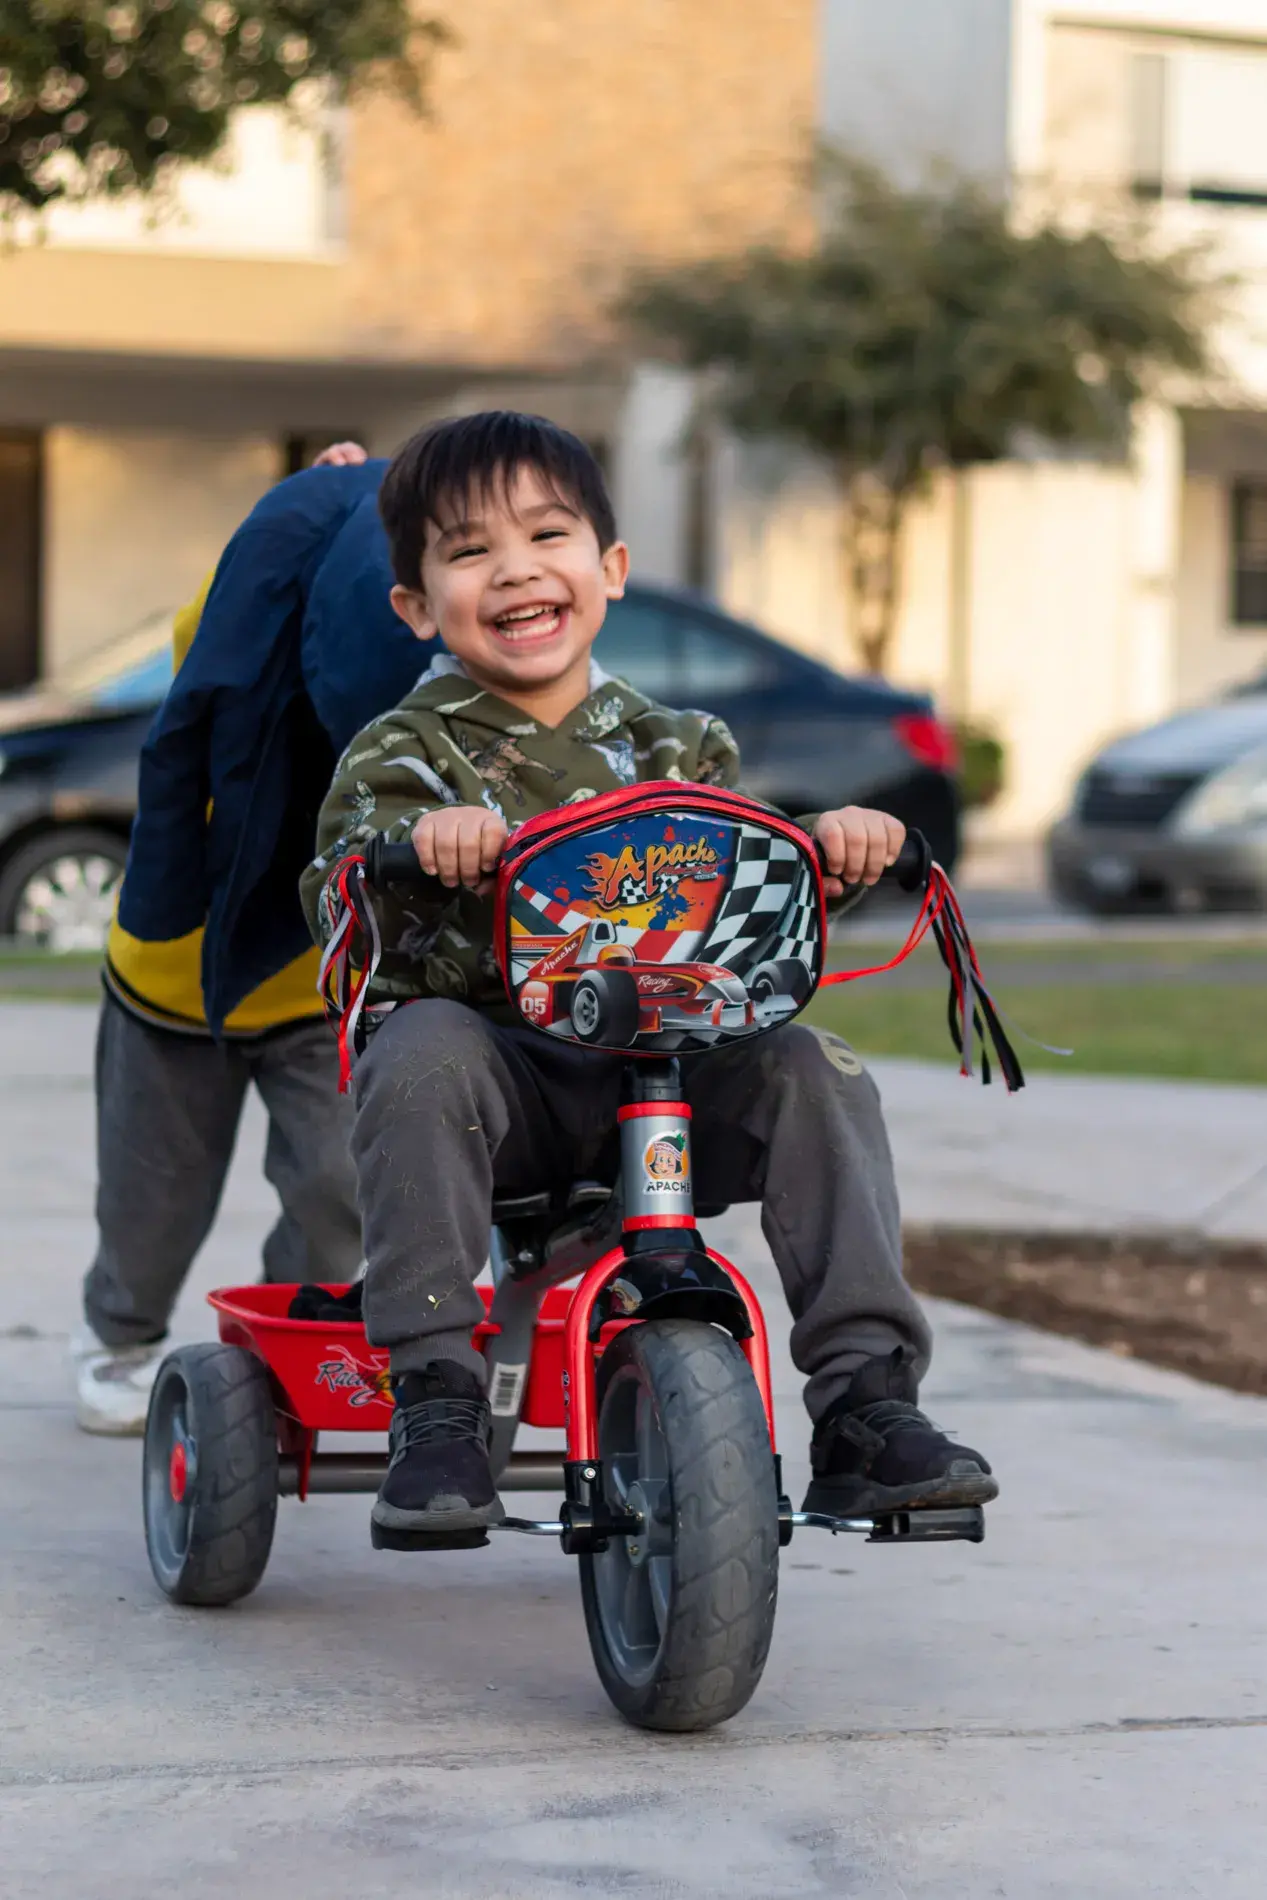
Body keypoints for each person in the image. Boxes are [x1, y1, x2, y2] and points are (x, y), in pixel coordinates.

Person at [300, 410, 998, 1542]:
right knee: (421, 1048)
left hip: (670, 1069)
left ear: (610, 569)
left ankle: (867, 1403)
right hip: (507, 1087)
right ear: (419, 606)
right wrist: (420, 853)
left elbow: (737, 896)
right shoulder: (403, 751)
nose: (515, 568)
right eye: (470, 550)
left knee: (812, 1068)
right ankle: (433, 1394)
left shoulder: (683, 745)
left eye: (547, 535)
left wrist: (832, 855)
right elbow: (335, 900)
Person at [72, 442, 380, 1434]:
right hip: (171, 987)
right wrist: (294, 509)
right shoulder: (226, 652)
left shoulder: (390, 684)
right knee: (150, 1202)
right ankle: (120, 1335)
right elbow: (239, 595)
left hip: (319, 992)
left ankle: (289, 1331)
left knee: (344, 1186)